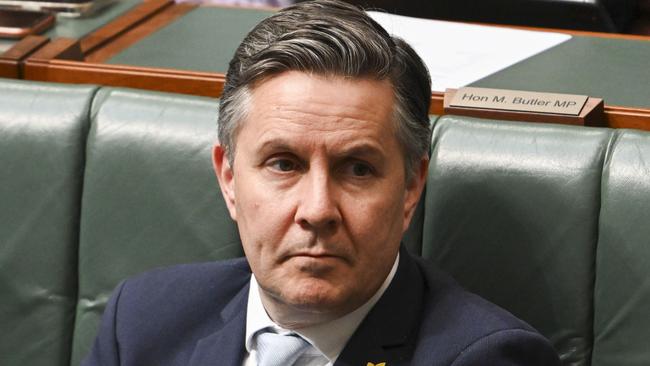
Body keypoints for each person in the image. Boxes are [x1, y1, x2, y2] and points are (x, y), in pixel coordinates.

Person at [82, 1, 561, 365]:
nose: (317, 210)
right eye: (284, 164)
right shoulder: (143, 320)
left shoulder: (485, 357)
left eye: (357, 169)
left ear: (411, 187)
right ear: (229, 178)